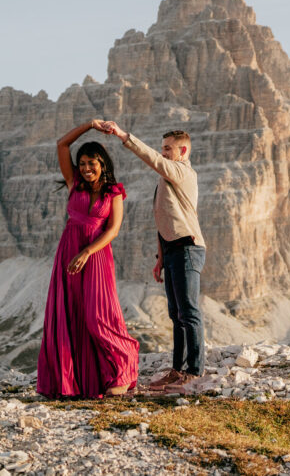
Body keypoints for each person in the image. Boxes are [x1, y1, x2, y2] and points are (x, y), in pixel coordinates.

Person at [36, 119, 139, 399]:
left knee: (98, 317)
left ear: (102, 163)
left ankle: (122, 369)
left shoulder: (114, 192)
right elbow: (62, 144)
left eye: (91, 163)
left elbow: (113, 230)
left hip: (96, 256)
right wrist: (91, 125)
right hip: (69, 254)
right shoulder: (74, 184)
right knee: (69, 314)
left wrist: (87, 252)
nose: (85, 168)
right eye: (81, 164)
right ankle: (72, 383)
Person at [101, 122, 206, 394]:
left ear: (183, 151)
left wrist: (123, 136)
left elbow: (152, 160)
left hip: (188, 248)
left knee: (189, 312)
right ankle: (178, 370)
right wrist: (160, 258)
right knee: (176, 314)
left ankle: (194, 372)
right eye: (163, 148)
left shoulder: (182, 171)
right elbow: (163, 219)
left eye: (168, 149)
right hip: (172, 251)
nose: (163, 153)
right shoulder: (166, 179)